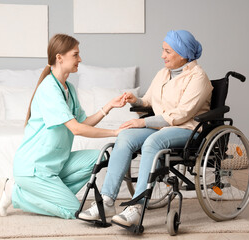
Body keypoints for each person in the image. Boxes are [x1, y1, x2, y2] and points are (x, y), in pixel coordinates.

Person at [78, 30, 213, 227]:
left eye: (167, 51)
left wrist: (143, 122)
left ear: (182, 54)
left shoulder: (198, 78)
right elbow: (150, 101)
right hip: (161, 128)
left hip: (187, 130)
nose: (162, 55)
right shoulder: (163, 74)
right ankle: (107, 201)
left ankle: (137, 206)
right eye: (162, 50)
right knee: (125, 136)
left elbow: (181, 115)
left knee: (152, 142)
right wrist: (137, 100)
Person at [0, 34, 128, 219]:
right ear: (60, 57)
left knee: (99, 157)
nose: (80, 59)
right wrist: (115, 132)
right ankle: (15, 192)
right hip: (34, 168)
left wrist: (109, 106)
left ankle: (52, 194)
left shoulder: (69, 89)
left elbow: (83, 122)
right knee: (76, 211)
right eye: (75, 55)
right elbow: (76, 129)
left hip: (56, 164)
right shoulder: (49, 88)